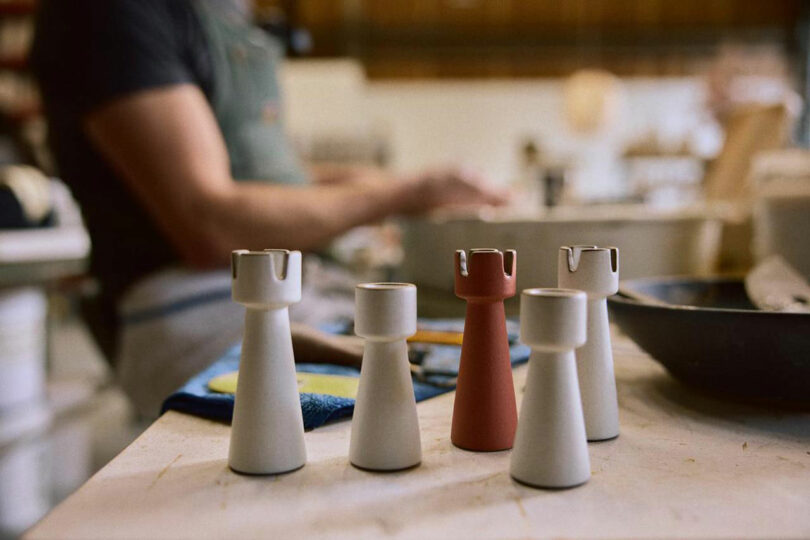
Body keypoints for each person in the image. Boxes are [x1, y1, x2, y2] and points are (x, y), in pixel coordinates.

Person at [31, 0, 506, 417]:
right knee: (411, 407)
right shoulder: (111, 11)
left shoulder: (229, 12)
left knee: (491, 358)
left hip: (291, 287)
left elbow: (279, 183)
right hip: (194, 301)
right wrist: (401, 194)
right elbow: (210, 223)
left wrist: (409, 187)